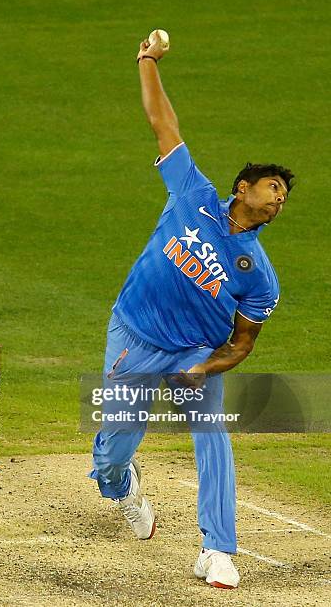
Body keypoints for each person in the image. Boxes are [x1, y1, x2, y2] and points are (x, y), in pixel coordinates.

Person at [89, 32, 294, 589]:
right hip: (134, 332)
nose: (278, 198)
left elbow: (243, 343)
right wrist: (146, 60)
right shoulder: (192, 194)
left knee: (213, 432)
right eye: (272, 187)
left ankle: (216, 550)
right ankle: (121, 484)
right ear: (242, 186)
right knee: (114, 449)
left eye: (283, 196)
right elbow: (163, 124)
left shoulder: (260, 275)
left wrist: (205, 368)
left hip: (194, 353)